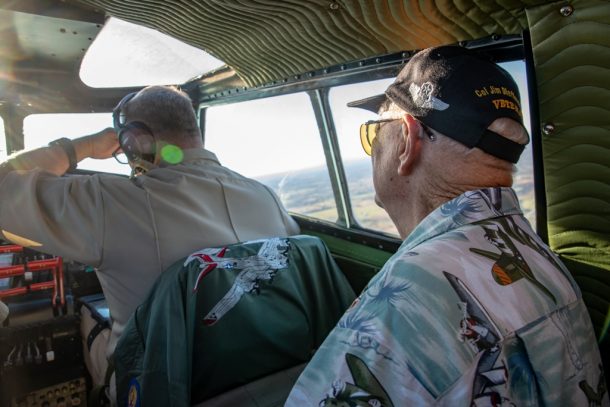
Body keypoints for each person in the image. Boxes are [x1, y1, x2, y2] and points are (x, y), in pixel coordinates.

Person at [286, 46, 608, 406]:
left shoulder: (405, 300)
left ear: (407, 141)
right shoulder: (538, 257)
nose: (373, 148)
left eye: (375, 134)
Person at [0, 86, 300, 389]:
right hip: (270, 377)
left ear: (134, 139)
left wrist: (84, 145)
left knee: (90, 320)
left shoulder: (112, 202)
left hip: (166, 389)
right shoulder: (266, 197)